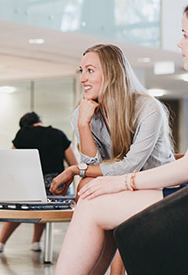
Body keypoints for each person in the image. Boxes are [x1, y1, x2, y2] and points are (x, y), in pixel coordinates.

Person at [54, 0, 188, 275]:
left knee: (92, 205)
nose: (180, 44)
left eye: (185, 35)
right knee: (98, 203)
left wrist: (123, 182)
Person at [48, 43, 174, 275]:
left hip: (158, 188)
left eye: (90, 70)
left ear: (112, 74)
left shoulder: (148, 108)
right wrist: (83, 124)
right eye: (81, 70)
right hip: (120, 188)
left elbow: (130, 167)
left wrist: (76, 169)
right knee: (87, 185)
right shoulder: (83, 113)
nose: (83, 78)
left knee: (87, 186)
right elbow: (93, 167)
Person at [0, 111, 77, 253]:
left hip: (31, 183)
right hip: (57, 185)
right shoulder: (58, 134)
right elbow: (73, 164)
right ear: (40, 121)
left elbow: (12, 161)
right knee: (44, 207)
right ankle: (36, 242)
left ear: (24, 125)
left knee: (20, 211)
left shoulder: (22, 134)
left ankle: (1, 243)